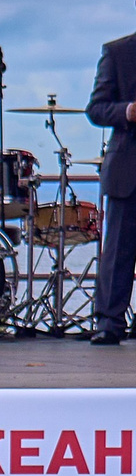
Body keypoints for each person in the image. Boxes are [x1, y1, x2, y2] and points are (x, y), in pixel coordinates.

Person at [85, 30, 136, 344]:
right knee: (117, 250)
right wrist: (128, 111)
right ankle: (109, 322)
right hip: (128, 168)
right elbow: (96, 108)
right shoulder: (117, 52)